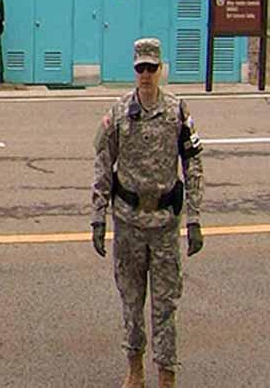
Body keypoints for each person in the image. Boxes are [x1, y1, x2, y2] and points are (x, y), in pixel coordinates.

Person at [91, 38, 204, 388]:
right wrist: (98, 217)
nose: (145, 74)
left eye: (151, 68)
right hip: (128, 224)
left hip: (165, 225)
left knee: (166, 303)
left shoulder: (177, 111)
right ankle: (135, 369)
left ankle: (166, 374)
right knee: (131, 301)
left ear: (161, 69)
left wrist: (195, 219)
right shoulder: (119, 112)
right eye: (140, 67)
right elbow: (103, 163)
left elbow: (193, 163)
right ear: (134, 69)